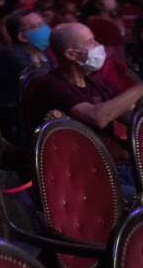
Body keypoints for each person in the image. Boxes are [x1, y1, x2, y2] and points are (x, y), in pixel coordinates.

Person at [29, 23, 143, 194]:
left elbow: (131, 117)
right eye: (90, 42)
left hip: (119, 165)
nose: (98, 46)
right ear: (70, 54)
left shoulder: (97, 83)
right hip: (83, 177)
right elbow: (98, 117)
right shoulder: (52, 86)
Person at [0, 9, 54, 137]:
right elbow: (35, 81)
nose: (44, 29)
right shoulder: (11, 54)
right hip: (17, 118)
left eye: (43, 24)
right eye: (37, 26)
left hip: (40, 108)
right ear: (22, 36)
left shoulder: (43, 53)